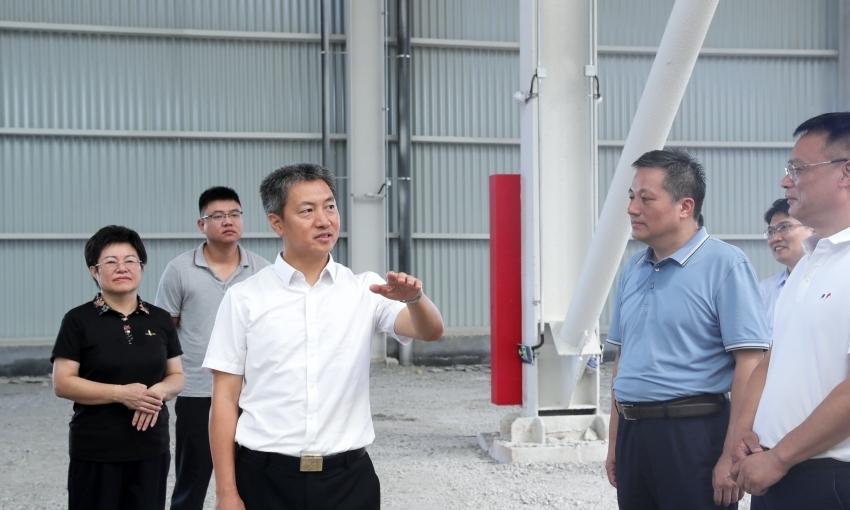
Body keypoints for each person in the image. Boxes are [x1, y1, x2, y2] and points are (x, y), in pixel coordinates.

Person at [203, 163, 444, 510]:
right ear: (277, 223)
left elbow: (430, 330)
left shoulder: (364, 289)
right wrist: (226, 492)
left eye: (330, 206)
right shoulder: (245, 298)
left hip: (348, 481)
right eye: (307, 210)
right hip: (265, 479)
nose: (324, 220)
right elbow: (225, 400)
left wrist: (415, 299)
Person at [604, 149, 770, 510]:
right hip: (634, 434)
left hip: (693, 435)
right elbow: (623, 359)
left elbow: (751, 362)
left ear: (685, 206)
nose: (632, 208)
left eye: (646, 198)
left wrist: (731, 454)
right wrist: (615, 443)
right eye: (631, 197)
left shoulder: (725, 264)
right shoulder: (633, 269)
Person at [733, 112, 850, 509]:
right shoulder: (809, 263)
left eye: (798, 169)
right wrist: (745, 433)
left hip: (829, 479)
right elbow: (772, 360)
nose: (786, 182)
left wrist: (779, 457)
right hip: (774, 470)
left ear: (846, 172)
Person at [51, 225, 184, 510]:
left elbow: (176, 375)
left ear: (141, 267)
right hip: (96, 449)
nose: (122, 268)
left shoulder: (160, 319)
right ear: (94, 271)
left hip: (151, 448)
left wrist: (158, 391)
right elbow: (62, 382)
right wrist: (121, 394)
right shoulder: (78, 320)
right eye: (111, 262)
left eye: (130, 260)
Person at [155, 187, 269, 510]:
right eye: (217, 216)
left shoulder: (262, 271)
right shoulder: (179, 270)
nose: (228, 221)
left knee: (251, 479)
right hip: (197, 390)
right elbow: (164, 331)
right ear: (201, 224)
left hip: (250, 392)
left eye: (234, 214)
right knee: (192, 480)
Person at [758, 198, 812, 336]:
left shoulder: (836, 279)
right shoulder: (764, 291)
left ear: (812, 228)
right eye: (771, 231)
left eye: (784, 227)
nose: (775, 238)